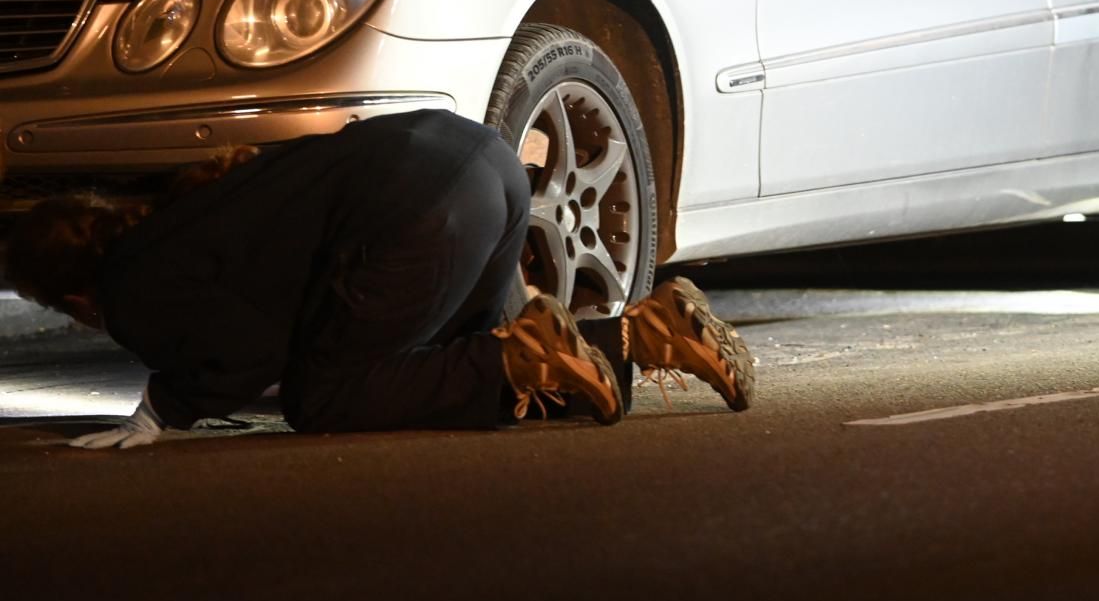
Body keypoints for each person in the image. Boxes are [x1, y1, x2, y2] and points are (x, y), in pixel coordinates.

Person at [1, 109, 753, 448]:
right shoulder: (183, 216)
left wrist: (166, 408)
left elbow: (249, 349)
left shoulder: (132, 285)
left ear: (71, 296)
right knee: (454, 364)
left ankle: (518, 358)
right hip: (480, 159)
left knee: (325, 396)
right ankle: (645, 333)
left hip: (421, 210)